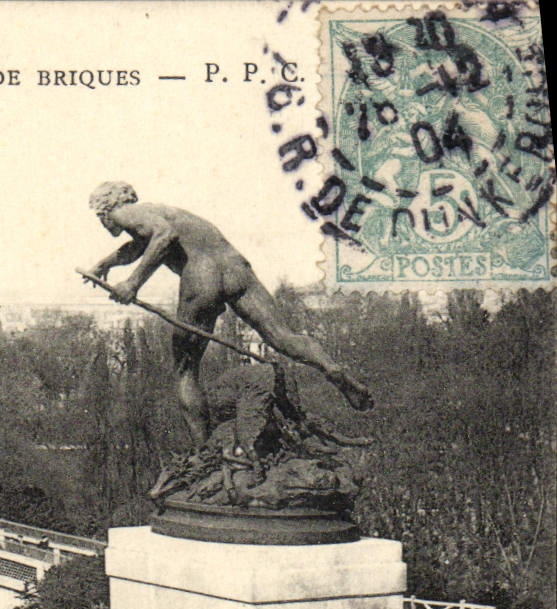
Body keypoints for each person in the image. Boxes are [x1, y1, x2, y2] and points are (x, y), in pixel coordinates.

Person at [88, 181, 373, 446]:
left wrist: (132, 283)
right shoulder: (157, 212)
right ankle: (332, 369)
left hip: (203, 275)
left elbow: (163, 236)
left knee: (185, 370)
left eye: (101, 220)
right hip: (234, 266)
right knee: (282, 336)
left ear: (106, 209)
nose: (104, 225)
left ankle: (204, 452)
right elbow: (137, 246)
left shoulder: (125, 212)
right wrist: (105, 264)